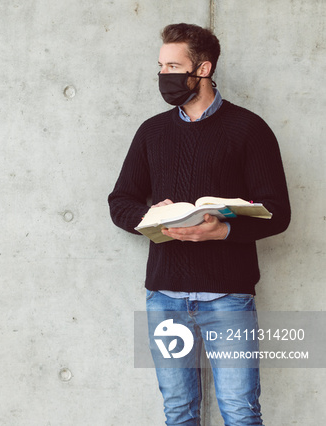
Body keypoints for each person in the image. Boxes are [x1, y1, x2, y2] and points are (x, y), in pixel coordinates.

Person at [108, 23, 290, 425]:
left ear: (203, 69)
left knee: (241, 412)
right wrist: (153, 216)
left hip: (228, 297)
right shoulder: (151, 132)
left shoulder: (249, 129)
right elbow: (120, 201)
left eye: (173, 66)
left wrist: (222, 230)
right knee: (178, 412)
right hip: (164, 298)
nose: (163, 76)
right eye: (160, 66)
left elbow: (278, 210)